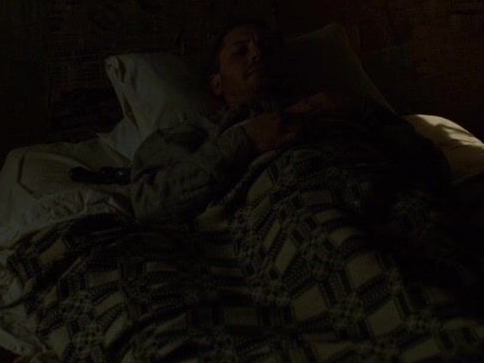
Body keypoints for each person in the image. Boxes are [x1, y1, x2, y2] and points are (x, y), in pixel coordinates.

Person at [128, 19, 450, 222]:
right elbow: (150, 202)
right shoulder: (197, 132)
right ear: (216, 83)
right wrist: (245, 141)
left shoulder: (340, 108)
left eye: (267, 50)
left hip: (389, 197)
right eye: (241, 52)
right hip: (292, 212)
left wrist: (363, 113)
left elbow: (434, 168)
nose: (257, 55)